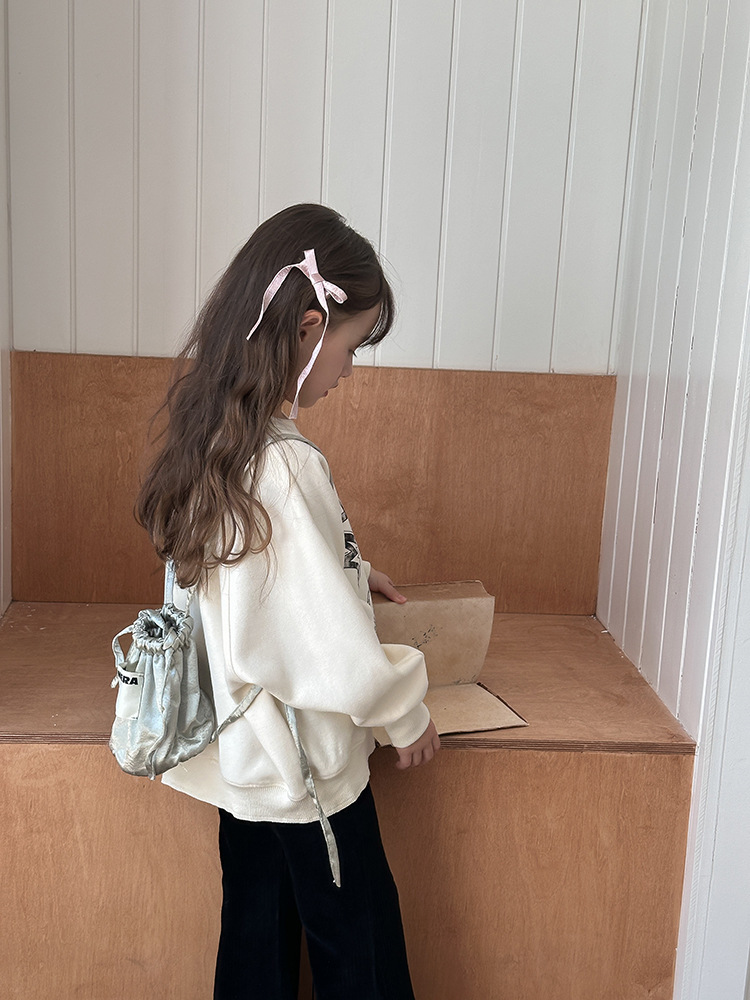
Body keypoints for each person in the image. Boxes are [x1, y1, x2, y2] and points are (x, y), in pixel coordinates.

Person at [136, 203, 440, 1000]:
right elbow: (328, 645)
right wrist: (403, 713)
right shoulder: (286, 465)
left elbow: (262, 579)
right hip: (309, 771)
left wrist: (350, 569)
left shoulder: (218, 440)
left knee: (254, 950)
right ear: (309, 329)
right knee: (359, 952)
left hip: (246, 761)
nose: (349, 369)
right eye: (351, 345)